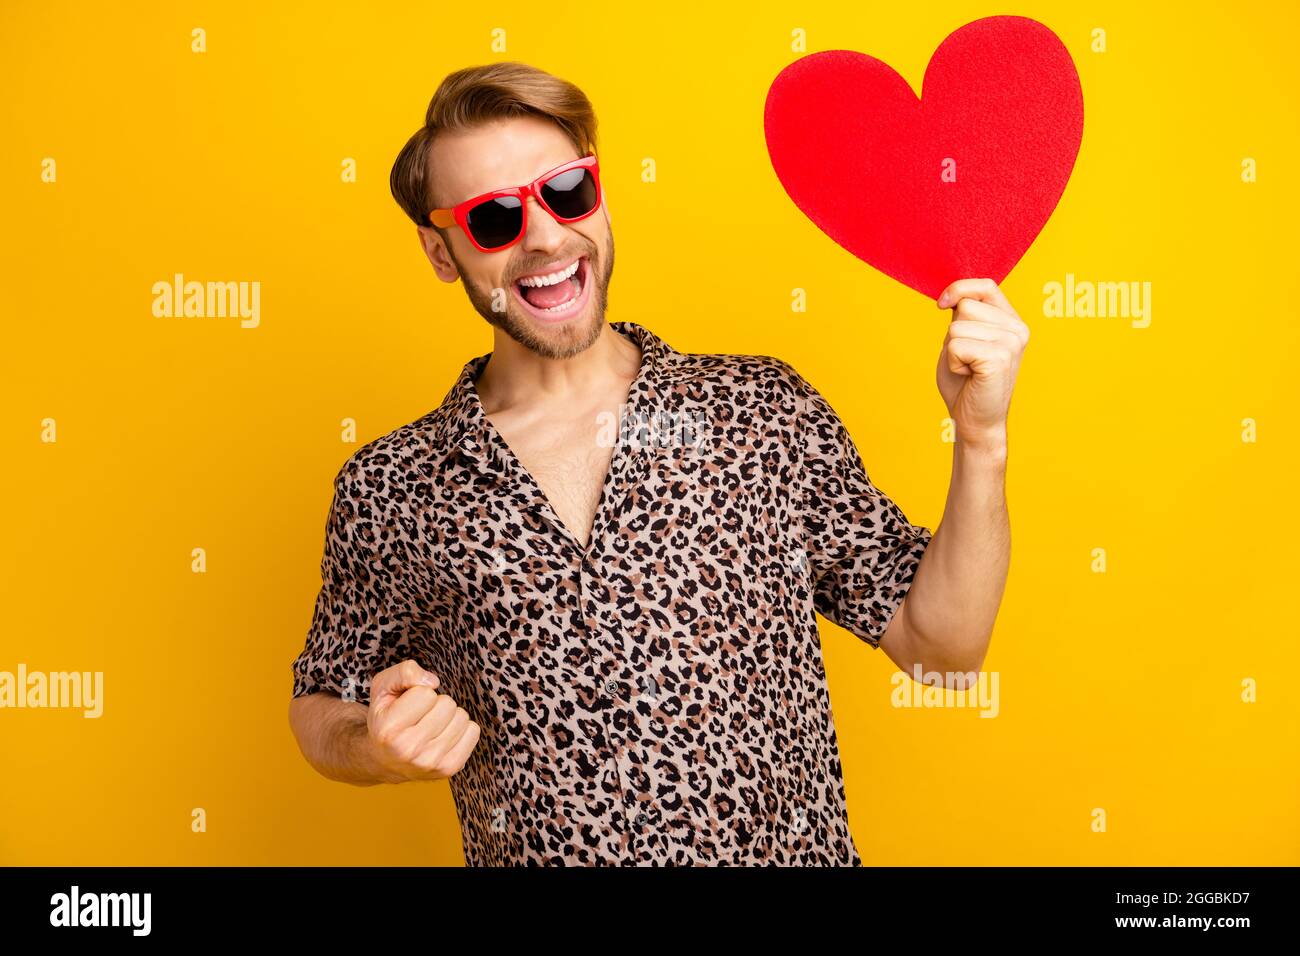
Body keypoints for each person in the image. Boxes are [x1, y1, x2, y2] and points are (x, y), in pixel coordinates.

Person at [287, 61, 1027, 865]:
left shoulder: (761, 411)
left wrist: (981, 440)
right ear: (440, 252)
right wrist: (375, 744)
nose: (543, 236)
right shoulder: (395, 486)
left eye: (567, 191)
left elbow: (941, 649)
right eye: (494, 218)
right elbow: (320, 704)